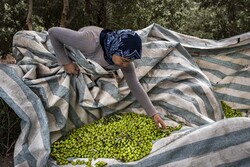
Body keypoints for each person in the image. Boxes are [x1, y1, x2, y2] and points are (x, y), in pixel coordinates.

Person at [48, 26, 166, 129]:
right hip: (83, 46)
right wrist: (66, 62)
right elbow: (53, 32)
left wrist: (153, 114)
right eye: (124, 60)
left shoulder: (125, 61)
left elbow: (135, 86)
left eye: (129, 61)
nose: (125, 65)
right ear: (114, 48)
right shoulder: (89, 42)